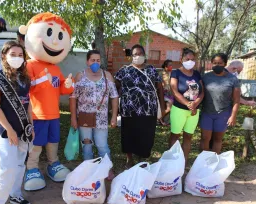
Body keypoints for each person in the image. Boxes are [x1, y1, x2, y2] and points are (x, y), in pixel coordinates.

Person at [19, 12, 74, 191]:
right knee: (36, 144)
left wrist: (68, 85)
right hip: (37, 114)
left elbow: (62, 90)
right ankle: (32, 168)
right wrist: (41, 82)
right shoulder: (29, 65)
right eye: (50, 34)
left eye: (60, 36)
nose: (56, 42)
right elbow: (26, 88)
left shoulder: (56, 68)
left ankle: (53, 164)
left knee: (53, 141)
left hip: (54, 114)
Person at [0, 41, 33, 204]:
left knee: (20, 163)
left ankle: (15, 194)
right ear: (4, 56)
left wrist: (31, 125)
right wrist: (10, 130)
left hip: (23, 129)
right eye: (13, 54)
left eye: (20, 55)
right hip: (5, 130)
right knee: (8, 165)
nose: (17, 58)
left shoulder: (24, 79)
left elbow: (28, 104)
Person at [70, 50, 119, 179]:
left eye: (98, 60)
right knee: (87, 144)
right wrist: (73, 117)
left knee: (102, 144)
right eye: (93, 60)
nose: (95, 63)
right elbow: (73, 97)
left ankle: (107, 169)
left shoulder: (107, 75)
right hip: (85, 118)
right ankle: (88, 169)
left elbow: (114, 96)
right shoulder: (80, 76)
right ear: (87, 61)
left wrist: (114, 116)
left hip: (101, 118)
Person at [115, 44, 165, 169]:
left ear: (144, 55)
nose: (138, 56)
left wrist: (163, 107)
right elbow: (115, 87)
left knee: (146, 136)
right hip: (129, 111)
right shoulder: (124, 70)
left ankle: (141, 159)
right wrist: (115, 107)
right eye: (135, 54)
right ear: (131, 56)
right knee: (128, 135)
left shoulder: (151, 70)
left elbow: (160, 89)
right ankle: (129, 159)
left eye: (140, 53)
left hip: (148, 110)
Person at [200, 53, 241, 154]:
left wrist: (233, 116)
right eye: (214, 63)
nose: (217, 65)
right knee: (205, 138)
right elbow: (199, 93)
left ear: (225, 64)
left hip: (223, 113)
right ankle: (203, 161)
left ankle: (214, 162)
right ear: (211, 63)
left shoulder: (232, 79)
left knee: (217, 139)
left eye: (220, 63)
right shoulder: (205, 77)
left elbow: (236, 100)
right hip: (207, 112)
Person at [169, 48, 204, 162]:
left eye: (192, 59)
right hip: (179, 109)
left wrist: (196, 103)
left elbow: (202, 91)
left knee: (188, 136)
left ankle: (183, 162)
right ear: (181, 59)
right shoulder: (176, 73)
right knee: (175, 135)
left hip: (194, 111)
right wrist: (188, 104)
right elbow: (174, 90)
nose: (190, 61)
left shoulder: (197, 74)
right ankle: (172, 161)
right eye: (187, 59)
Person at [160, 59, 174, 125]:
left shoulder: (172, 73)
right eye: (170, 65)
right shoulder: (161, 73)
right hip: (165, 94)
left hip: (171, 94)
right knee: (169, 108)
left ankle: (165, 120)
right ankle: (159, 118)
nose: (171, 66)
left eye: (172, 65)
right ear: (166, 66)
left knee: (169, 108)